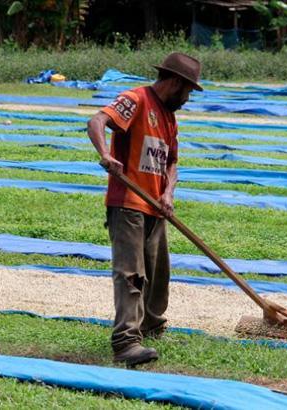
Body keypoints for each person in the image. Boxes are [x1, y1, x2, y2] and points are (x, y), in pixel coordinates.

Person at [86, 52, 202, 366]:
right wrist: (104, 154)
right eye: (188, 90)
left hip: (155, 206)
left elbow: (173, 161)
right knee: (131, 274)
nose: (188, 98)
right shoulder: (135, 99)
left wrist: (168, 192)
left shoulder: (169, 117)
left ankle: (151, 325)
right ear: (176, 82)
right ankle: (126, 341)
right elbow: (97, 121)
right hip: (128, 203)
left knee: (158, 275)